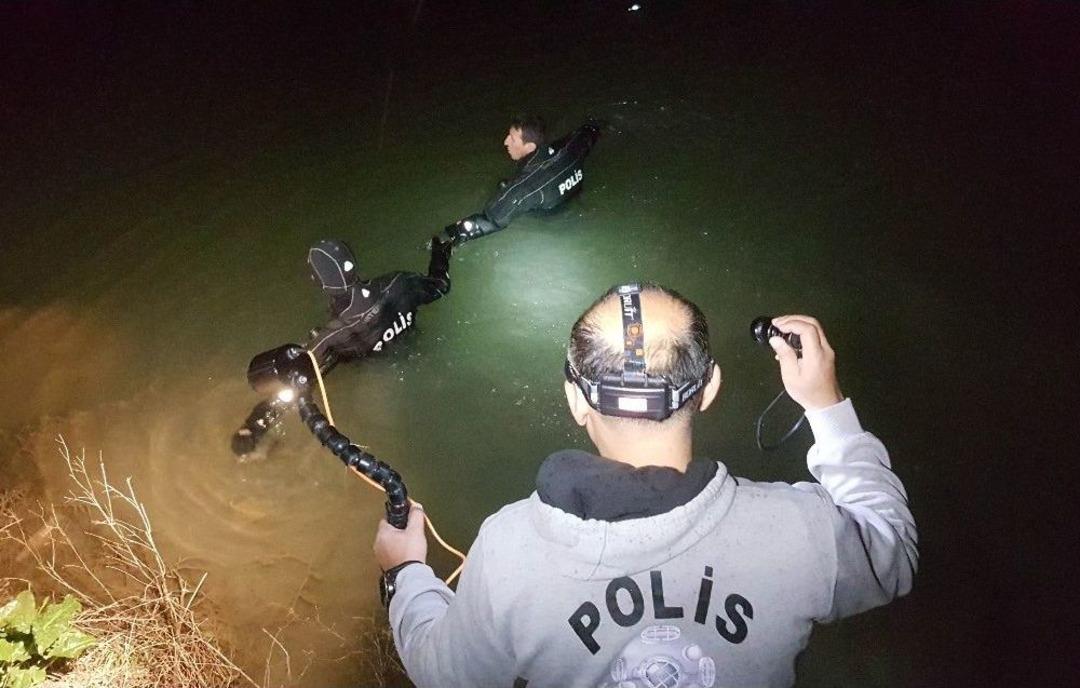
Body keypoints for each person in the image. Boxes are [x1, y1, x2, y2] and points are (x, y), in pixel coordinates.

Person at [373, 283, 919, 687]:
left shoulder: (508, 550)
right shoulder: (801, 530)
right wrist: (826, 405)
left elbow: (445, 674)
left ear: (575, 400)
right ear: (710, 389)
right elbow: (891, 552)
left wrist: (405, 574)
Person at [230, 235, 453, 455]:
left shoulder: (333, 336)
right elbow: (440, 286)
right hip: (420, 351)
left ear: (319, 281)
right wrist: (442, 247)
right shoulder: (399, 283)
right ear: (353, 263)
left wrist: (253, 425)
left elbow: (296, 384)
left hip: (380, 375)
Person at [441, 114, 603, 245]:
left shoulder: (524, 188)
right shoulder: (571, 148)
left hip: (549, 217)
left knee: (503, 186)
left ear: (530, 147)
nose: (506, 142)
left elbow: (489, 221)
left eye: (512, 138)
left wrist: (441, 239)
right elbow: (588, 132)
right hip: (571, 196)